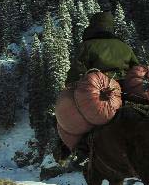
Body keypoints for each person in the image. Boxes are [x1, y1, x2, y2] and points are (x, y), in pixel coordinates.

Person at [58, 11, 140, 168]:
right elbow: (136, 69)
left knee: (78, 115)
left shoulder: (87, 45)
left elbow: (76, 70)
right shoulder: (124, 46)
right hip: (124, 89)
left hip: (100, 91)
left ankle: (77, 151)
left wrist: (71, 84)